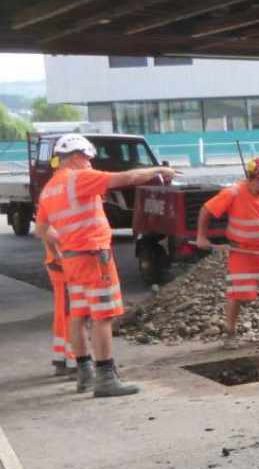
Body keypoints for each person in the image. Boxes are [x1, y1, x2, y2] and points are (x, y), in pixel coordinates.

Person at [38, 134, 179, 397]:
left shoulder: (50, 189)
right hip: (94, 257)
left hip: (72, 260)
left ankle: (85, 374)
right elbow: (127, 178)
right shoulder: (78, 178)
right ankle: (105, 378)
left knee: (78, 315)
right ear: (77, 156)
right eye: (89, 158)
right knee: (103, 316)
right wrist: (160, 170)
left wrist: (65, 245)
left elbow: (43, 228)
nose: (91, 163)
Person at [194, 156, 259, 348]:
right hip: (241, 251)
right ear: (257, 176)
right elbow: (206, 210)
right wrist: (202, 237)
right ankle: (230, 334)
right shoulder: (233, 193)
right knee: (238, 294)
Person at [35, 154, 76, 378]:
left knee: (64, 312)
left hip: (58, 262)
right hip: (63, 263)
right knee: (71, 313)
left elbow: (42, 228)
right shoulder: (60, 192)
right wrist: (63, 252)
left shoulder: (49, 192)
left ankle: (62, 359)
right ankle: (72, 361)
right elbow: (44, 230)